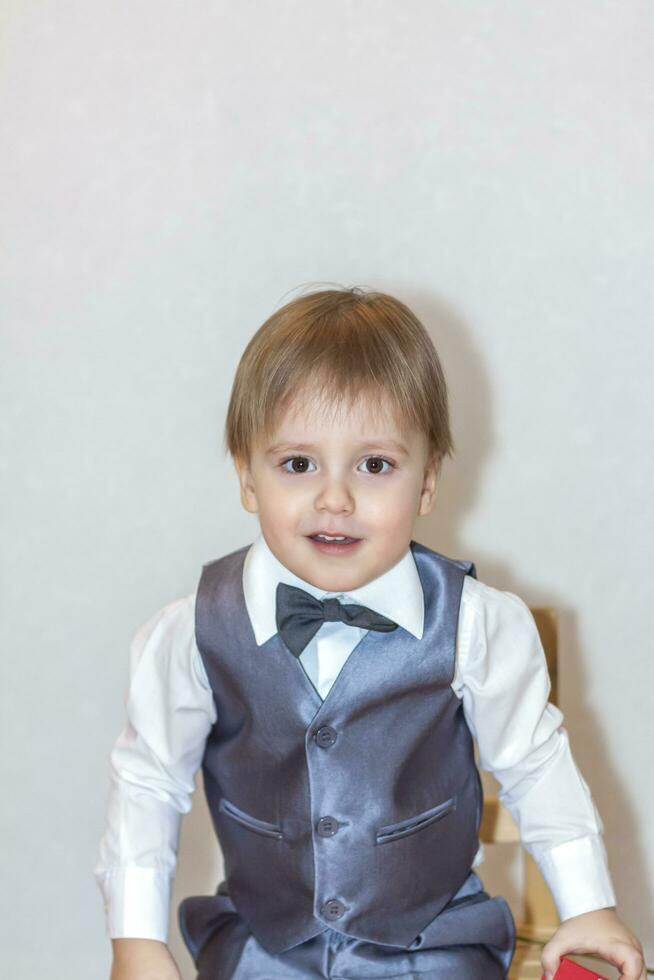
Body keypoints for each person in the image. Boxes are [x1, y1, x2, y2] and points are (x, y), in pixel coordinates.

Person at [95, 286, 646, 980]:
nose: (336, 498)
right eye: (299, 464)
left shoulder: (478, 623)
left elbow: (536, 767)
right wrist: (136, 938)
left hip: (434, 948)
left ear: (426, 484)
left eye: (375, 465)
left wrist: (587, 903)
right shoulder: (191, 634)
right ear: (246, 476)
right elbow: (149, 783)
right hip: (265, 948)